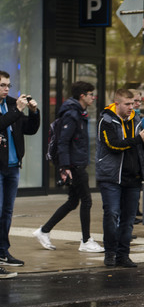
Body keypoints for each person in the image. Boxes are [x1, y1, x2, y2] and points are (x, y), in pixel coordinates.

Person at [32, 81, 103, 253]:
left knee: (73, 202)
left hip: (76, 163)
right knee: (86, 200)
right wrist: (65, 167)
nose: (93, 97)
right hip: (74, 165)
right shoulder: (72, 115)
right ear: (82, 96)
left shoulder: (79, 113)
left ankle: (44, 230)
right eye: (90, 94)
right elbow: (63, 142)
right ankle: (86, 241)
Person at [96, 88, 144, 268]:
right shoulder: (106, 121)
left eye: (134, 103)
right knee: (112, 214)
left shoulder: (137, 120)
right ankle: (110, 253)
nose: (132, 107)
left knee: (128, 220)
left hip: (133, 177)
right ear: (117, 103)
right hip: (111, 177)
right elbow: (113, 145)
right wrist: (139, 139)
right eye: (128, 104)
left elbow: (143, 150)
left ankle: (123, 255)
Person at [0, 70, 40, 278]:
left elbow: (30, 130)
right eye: (2, 85)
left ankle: (3, 251)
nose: (7, 89)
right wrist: (17, 110)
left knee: (7, 212)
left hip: (13, 166)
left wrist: (33, 112)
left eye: (8, 85)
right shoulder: (13, 108)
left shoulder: (13, 104)